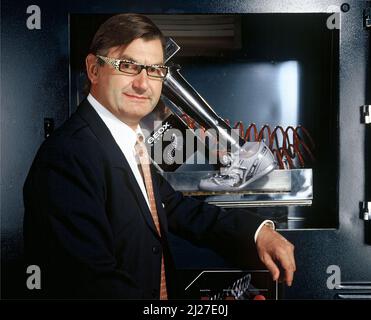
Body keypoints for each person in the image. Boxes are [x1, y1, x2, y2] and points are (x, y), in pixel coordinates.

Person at [23, 13, 295, 299]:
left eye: (155, 70)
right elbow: (96, 286)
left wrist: (257, 233)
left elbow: (176, 208)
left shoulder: (126, 143)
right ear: (94, 69)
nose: (143, 83)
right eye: (128, 66)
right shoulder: (66, 157)